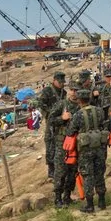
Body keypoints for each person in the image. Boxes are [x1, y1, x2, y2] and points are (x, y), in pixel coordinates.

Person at [74, 83, 111, 212]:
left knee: (88, 175)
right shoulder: (99, 111)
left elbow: (71, 130)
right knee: (99, 173)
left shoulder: (78, 114)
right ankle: (102, 201)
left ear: (79, 100)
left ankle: (90, 204)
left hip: (86, 149)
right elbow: (106, 124)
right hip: (99, 147)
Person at [35, 73, 71, 204]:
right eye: (60, 81)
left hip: (61, 121)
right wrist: (51, 112)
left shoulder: (64, 92)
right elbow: (40, 103)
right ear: (54, 81)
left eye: (63, 81)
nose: (62, 83)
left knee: (59, 143)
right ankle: (51, 168)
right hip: (51, 120)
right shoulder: (47, 91)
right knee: (49, 142)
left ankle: (59, 168)